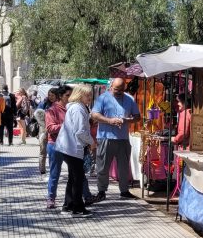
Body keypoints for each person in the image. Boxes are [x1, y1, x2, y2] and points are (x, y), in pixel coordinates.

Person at [91, 78, 141, 201]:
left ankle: (124, 191)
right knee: (103, 167)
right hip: (105, 137)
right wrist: (110, 120)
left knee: (124, 167)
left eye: (121, 90)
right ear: (111, 87)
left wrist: (126, 120)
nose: (119, 92)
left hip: (123, 138)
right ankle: (101, 191)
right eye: (116, 89)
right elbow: (94, 115)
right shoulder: (103, 98)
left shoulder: (129, 99)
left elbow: (137, 117)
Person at [56, 84, 96, 217]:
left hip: (69, 147)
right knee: (77, 178)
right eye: (87, 95)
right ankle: (77, 208)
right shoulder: (78, 109)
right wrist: (92, 142)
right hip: (72, 148)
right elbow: (81, 131)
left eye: (90, 94)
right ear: (80, 95)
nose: (90, 97)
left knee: (73, 178)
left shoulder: (79, 107)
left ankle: (68, 206)